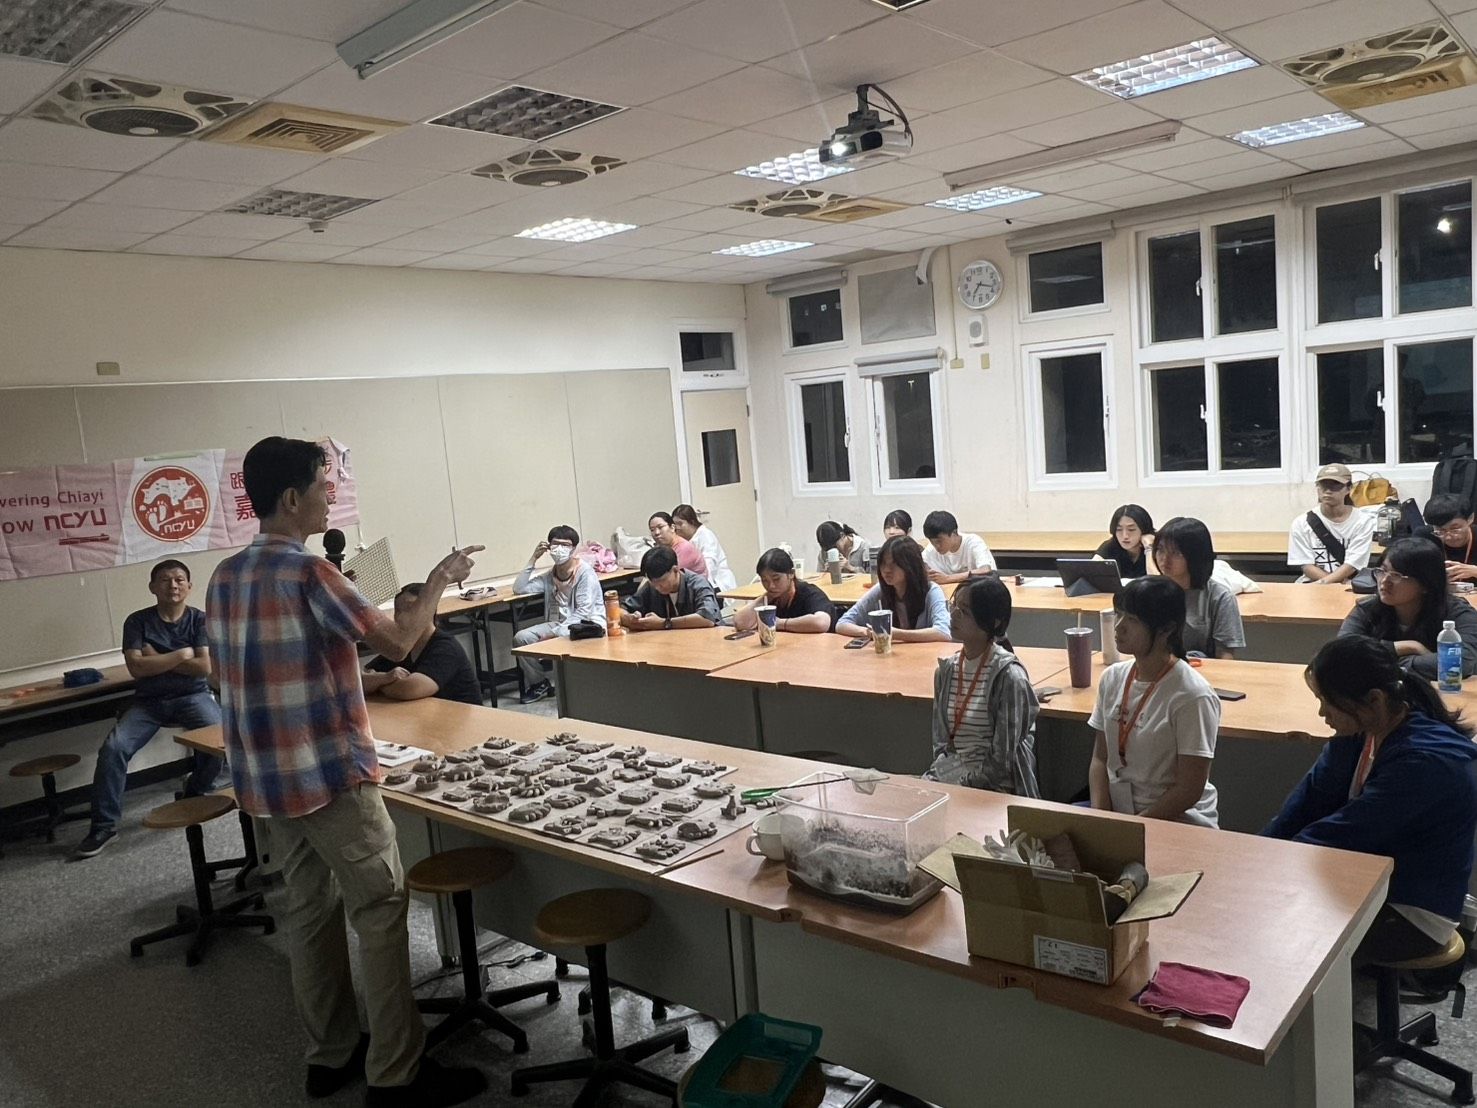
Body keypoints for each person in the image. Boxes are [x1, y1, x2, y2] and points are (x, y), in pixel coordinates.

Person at [206, 436, 485, 1107]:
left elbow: (239, 672)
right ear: (292, 498)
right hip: (328, 776)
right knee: (381, 910)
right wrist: (440, 578)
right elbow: (402, 642)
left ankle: (330, 1055)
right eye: (322, 486)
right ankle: (396, 1073)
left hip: (266, 780)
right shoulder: (312, 574)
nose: (331, 497)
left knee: (309, 913)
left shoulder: (225, 576)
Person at [1264, 635, 1477, 965]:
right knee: (1260, 905)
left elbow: (1346, 834)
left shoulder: (1425, 762)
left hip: (1412, 912)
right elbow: (1306, 803)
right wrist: (1260, 853)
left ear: (1374, 699)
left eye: (1327, 701)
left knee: (1275, 933)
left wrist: (1268, 870)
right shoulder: (1361, 732)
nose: (1321, 712)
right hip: (1369, 882)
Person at [71, 559, 223, 860]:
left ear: (189, 587)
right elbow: (137, 668)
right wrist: (182, 654)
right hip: (149, 702)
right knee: (113, 749)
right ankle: (103, 826)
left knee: (218, 740)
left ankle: (196, 789)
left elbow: (204, 667)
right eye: (165, 580)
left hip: (192, 696)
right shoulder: (137, 621)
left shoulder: (199, 620)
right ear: (152, 587)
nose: (173, 585)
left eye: (179, 579)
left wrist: (157, 657)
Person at [1087, 576, 1220, 828]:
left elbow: (1189, 789)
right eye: (1119, 614)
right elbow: (1100, 759)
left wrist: (1132, 828)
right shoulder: (1112, 678)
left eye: (1133, 620)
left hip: (1176, 819)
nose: (1119, 627)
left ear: (1166, 630)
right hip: (1120, 814)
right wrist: (1102, 820)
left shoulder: (1192, 695)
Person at [924, 575, 1041, 796]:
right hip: (953, 780)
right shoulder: (946, 671)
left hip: (995, 789)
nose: (953, 615)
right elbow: (941, 744)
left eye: (964, 611)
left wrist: (961, 785)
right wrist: (942, 779)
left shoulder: (1009, 677)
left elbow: (1000, 763)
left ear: (993, 622)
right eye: (953, 606)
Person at [1338, 536, 1477, 680]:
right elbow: (1341, 652)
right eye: (1382, 571)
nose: (1384, 581)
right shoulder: (1368, 608)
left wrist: (1386, 663)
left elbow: (1460, 663)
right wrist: (1409, 647)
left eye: (1396, 575)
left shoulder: (1458, 613)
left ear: (1426, 584)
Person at [510, 525, 606, 704]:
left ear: (573, 548)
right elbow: (519, 588)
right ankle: (539, 683)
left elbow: (583, 612)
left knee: (564, 638)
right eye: (555, 544)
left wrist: (555, 634)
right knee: (521, 638)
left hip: (586, 625)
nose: (560, 549)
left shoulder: (585, 573)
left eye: (565, 545)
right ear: (549, 547)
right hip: (559, 622)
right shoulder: (550, 575)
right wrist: (533, 558)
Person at [362, 583, 482, 706]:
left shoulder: (446, 647)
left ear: (429, 611)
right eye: (398, 610)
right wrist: (386, 678)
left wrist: (378, 683)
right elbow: (360, 681)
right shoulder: (401, 647)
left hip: (459, 716)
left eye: (409, 609)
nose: (401, 616)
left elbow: (410, 689)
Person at [1151, 516, 1244, 659]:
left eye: (1176, 553)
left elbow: (1225, 655)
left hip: (1201, 669)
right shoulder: (1152, 592)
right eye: (1160, 550)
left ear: (1195, 556)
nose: (1165, 558)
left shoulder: (1220, 597)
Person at [836, 536, 950, 643]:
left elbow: (943, 632)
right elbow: (842, 624)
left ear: (910, 565)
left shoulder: (931, 591)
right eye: (883, 563)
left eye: (894, 564)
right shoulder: (880, 590)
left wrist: (895, 633)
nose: (886, 570)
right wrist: (869, 632)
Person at [1288, 462, 1375, 584]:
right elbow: (1306, 565)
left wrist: (1327, 584)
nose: (1328, 491)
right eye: (1323, 485)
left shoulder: (1362, 521)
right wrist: (1325, 584)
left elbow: (1352, 564)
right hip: (1312, 583)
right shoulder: (1301, 523)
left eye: (1335, 486)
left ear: (1349, 488)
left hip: (1349, 584)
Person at [619, 544, 720, 631]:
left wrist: (663, 623)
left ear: (675, 570)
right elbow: (620, 609)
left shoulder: (697, 583)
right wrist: (629, 618)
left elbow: (708, 618)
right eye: (653, 583)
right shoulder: (651, 587)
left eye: (662, 581)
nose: (657, 587)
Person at [731, 548, 833, 634]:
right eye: (764, 580)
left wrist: (780, 623)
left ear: (791, 574)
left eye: (776, 579)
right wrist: (765, 597)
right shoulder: (771, 598)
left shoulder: (809, 593)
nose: (771, 586)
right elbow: (740, 623)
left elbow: (821, 623)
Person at [671, 504, 737, 592]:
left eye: (680, 523)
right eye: (675, 524)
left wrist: (703, 585)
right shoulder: (682, 540)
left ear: (692, 522)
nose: (677, 528)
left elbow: (709, 564)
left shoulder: (705, 535)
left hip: (718, 582)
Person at [921, 510, 995, 583]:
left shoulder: (973, 542)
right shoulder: (931, 549)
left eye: (939, 541)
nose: (936, 546)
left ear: (953, 533)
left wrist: (948, 578)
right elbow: (919, 565)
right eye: (932, 541)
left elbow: (985, 570)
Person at [1420, 493, 1477, 582]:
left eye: (1455, 529)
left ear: (1470, 519)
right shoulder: (1425, 536)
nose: (1448, 537)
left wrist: (1475, 572)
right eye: (1440, 531)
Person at [1095, 504, 1155, 579]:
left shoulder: (1159, 547)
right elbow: (1090, 572)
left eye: (1131, 529)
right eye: (1119, 529)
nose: (1125, 536)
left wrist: (1149, 548)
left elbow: (1158, 582)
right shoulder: (1110, 546)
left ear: (1144, 530)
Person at [649, 510, 708, 578]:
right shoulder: (663, 548)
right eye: (652, 530)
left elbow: (669, 577)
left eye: (660, 527)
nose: (656, 533)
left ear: (672, 527)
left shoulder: (684, 548)